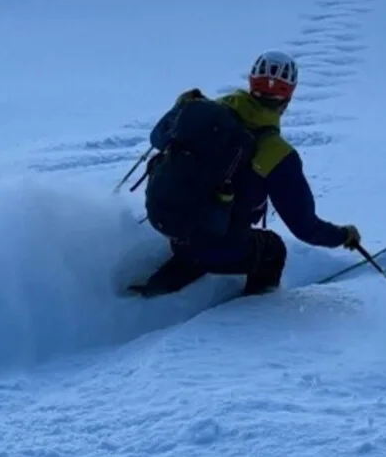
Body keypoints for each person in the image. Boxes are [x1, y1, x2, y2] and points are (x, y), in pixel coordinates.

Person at [131, 49, 362, 298]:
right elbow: (304, 227)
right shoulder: (277, 154)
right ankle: (252, 318)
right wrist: (343, 235)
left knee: (203, 238)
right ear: (289, 96)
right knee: (271, 250)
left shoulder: (207, 113)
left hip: (172, 228)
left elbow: (157, 138)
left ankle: (157, 290)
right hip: (215, 241)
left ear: (252, 81)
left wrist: (179, 108)